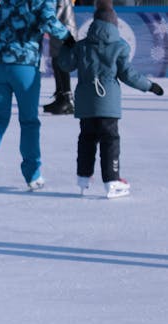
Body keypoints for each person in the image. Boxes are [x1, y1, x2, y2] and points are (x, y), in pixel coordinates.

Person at [57, 0, 164, 199]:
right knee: (110, 141)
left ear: (94, 24)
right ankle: (112, 180)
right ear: (114, 25)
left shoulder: (82, 46)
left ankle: (83, 176)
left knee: (86, 139)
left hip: (86, 104)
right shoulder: (120, 46)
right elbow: (129, 75)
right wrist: (150, 86)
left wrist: (66, 45)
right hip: (108, 105)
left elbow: (65, 65)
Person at [0, 0, 72, 191]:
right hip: (23, 67)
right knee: (29, 121)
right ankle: (33, 175)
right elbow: (50, 22)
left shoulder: (8, 2)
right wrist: (70, 40)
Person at [42, 0, 77, 115]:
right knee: (55, 63)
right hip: (56, 33)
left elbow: (57, 12)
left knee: (61, 65)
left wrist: (46, 26)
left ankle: (68, 100)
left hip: (64, 33)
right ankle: (60, 97)